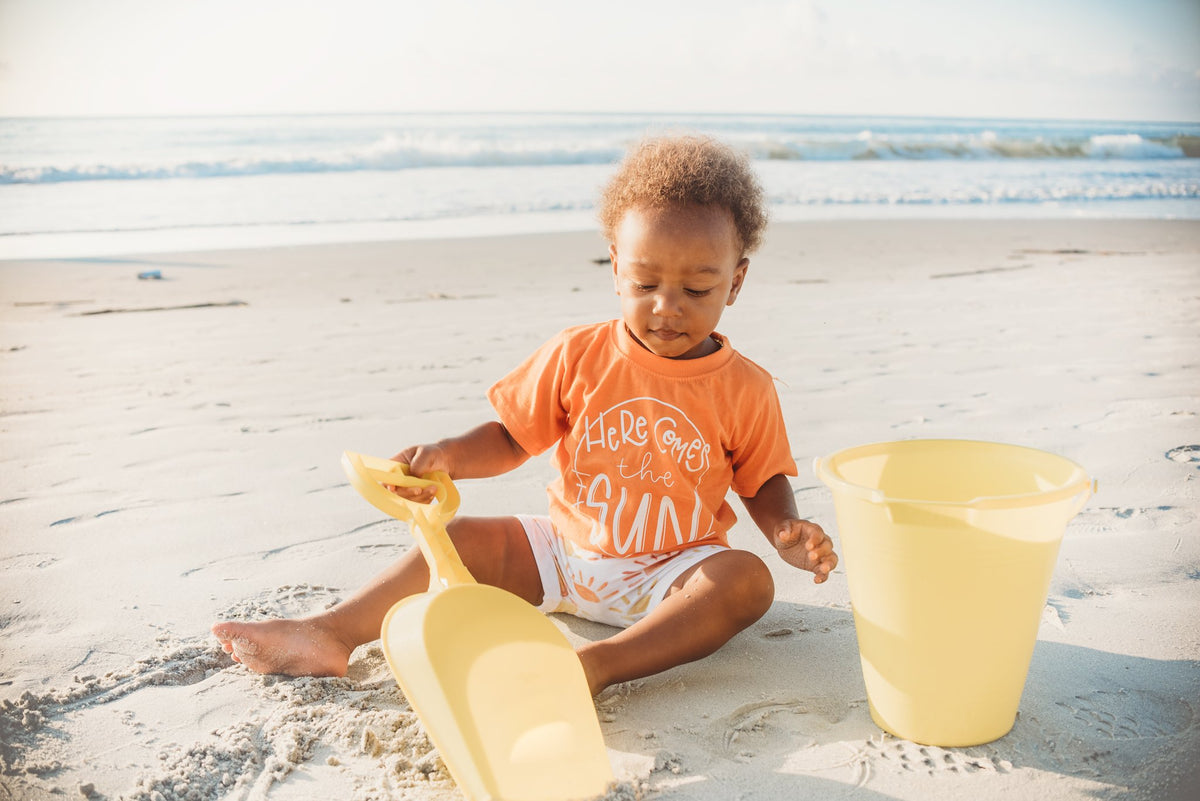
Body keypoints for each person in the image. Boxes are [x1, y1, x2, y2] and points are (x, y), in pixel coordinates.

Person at [212, 135, 838, 696]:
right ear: (616, 266)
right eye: (645, 283)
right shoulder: (577, 354)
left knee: (747, 581)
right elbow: (513, 436)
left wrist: (784, 529)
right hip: (564, 552)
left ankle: (596, 666)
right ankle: (330, 632)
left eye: (696, 290)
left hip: (673, 573)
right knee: (458, 540)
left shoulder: (746, 387)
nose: (666, 307)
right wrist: (450, 455)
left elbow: (759, 479)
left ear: (735, 281)